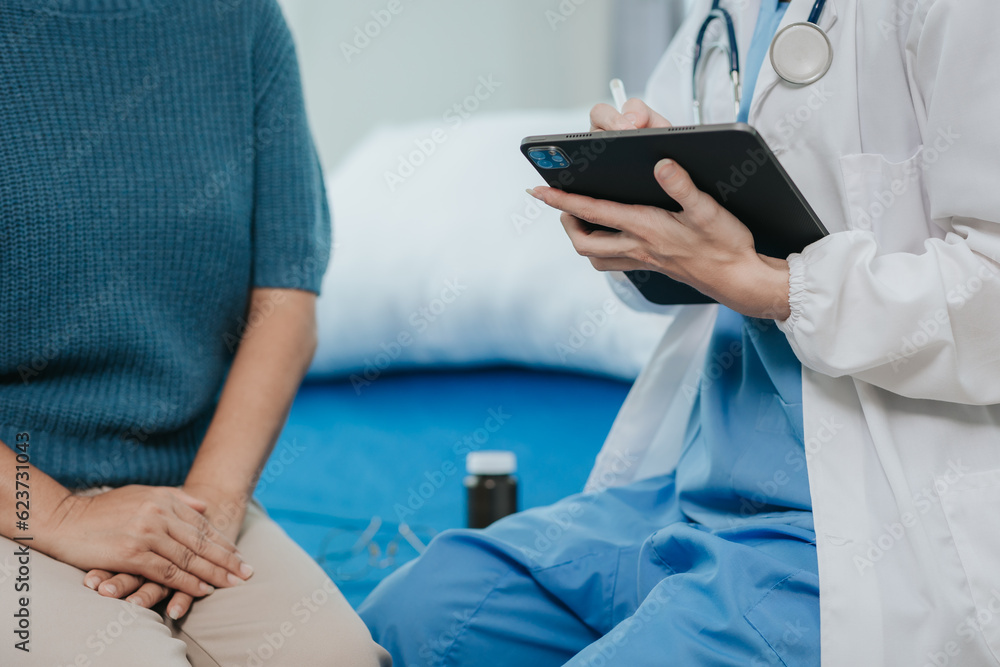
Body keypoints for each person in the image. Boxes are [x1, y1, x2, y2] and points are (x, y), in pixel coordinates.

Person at [360, 0, 1000, 665]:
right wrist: (641, 211)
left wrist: (779, 286)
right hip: (689, 498)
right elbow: (707, 239)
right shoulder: (735, 11)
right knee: (412, 616)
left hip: (859, 529)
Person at [0, 0, 389, 664]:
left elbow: (286, 302)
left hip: (179, 494)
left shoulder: (240, 19)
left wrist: (206, 510)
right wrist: (64, 517)